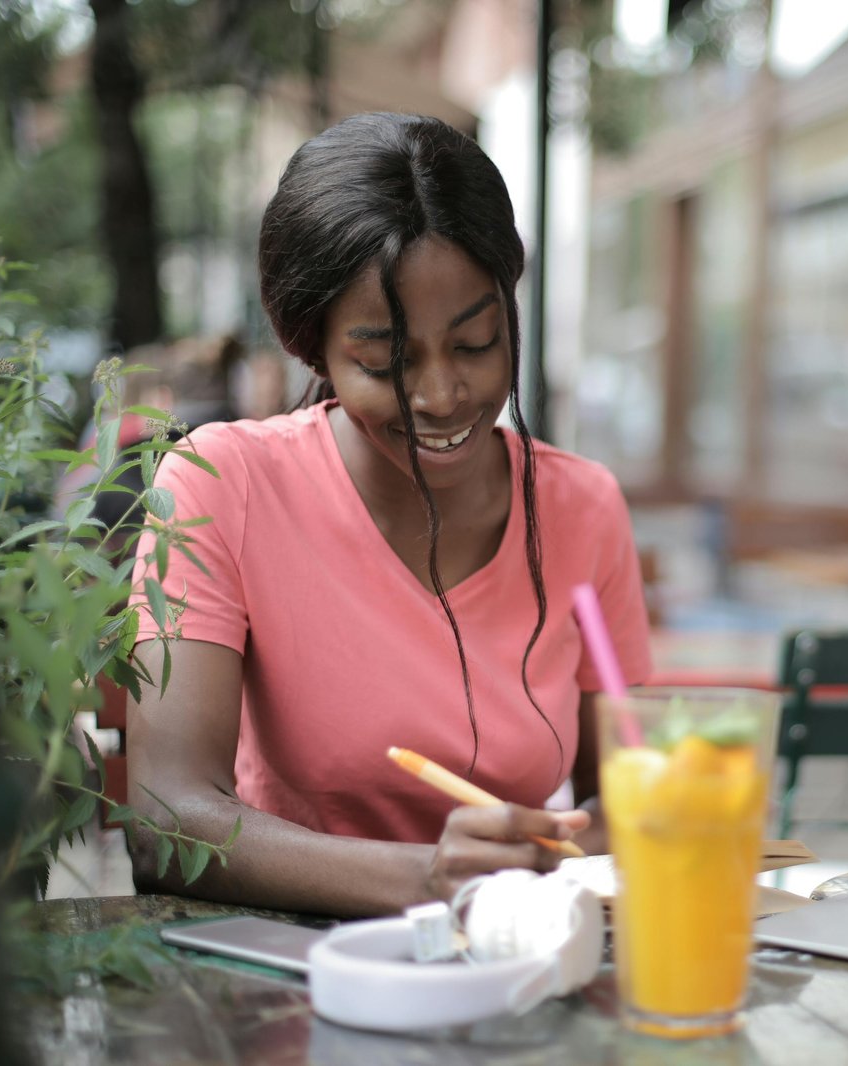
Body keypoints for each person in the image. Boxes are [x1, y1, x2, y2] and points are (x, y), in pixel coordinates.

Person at [125, 113, 653, 916]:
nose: (441, 397)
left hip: (515, 970)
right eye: (385, 363)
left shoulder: (583, 507)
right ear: (316, 351)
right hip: (283, 979)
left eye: (476, 344)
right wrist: (425, 882)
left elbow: (621, 807)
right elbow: (166, 819)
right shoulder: (222, 482)